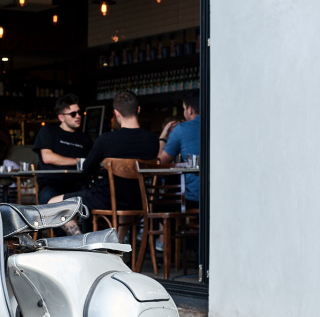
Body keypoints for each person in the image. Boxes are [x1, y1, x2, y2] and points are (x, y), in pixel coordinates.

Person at [50, 90, 159, 236]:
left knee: (53, 203)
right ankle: (118, 243)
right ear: (138, 110)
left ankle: (79, 239)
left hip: (106, 198)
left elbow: (87, 168)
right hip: (138, 199)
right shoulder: (153, 141)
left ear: (116, 113)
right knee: (126, 201)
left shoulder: (106, 140)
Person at [32, 93, 94, 204]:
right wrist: (78, 161)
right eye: (73, 114)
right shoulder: (49, 131)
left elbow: (92, 161)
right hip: (52, 185)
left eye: (79, 113)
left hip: (78, 186)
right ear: (61, 117)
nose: (78, 116)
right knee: (56, 204)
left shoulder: (85, 138)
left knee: (95, 199)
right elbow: (47, 157)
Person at [159, 91, 201, 207]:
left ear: (190, 110)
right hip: (219, 195)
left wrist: (163, 137)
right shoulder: (217, 124)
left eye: (183, 109)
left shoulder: (182, 129)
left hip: (193, 198)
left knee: (159, 206)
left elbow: (160, 163)